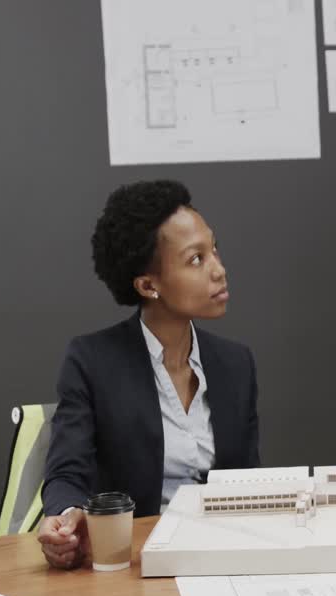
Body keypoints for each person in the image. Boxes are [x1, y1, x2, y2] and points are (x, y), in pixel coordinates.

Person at [37, 179, 260, 569]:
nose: (219, 270)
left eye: (214, 250)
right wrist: (68, 516)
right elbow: (66, 473)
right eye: (196, 259)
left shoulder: (235, 364)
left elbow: (249, 485)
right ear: (148, 285)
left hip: (220, 559)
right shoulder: (92, 361)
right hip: (133, 563)